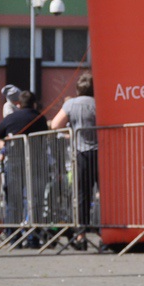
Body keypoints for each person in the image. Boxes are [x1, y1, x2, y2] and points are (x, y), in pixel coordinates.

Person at [49, 71, 98, 240]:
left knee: (82, 194)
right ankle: (106, 232)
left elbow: (55, 125)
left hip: (81, 153)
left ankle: (81, 235)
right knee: (105, 194)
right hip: (100, 153)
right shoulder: (99, 103)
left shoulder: (71, 104)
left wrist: (70, 134)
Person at [0, 91, 47, 241]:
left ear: (18, 104)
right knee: (35, 199)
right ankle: (34, 238)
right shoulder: (40, 118)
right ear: (34, 104)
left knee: (13, 200)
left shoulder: (11, 118)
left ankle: (13, 237)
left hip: (14, 163)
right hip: (36, 162)